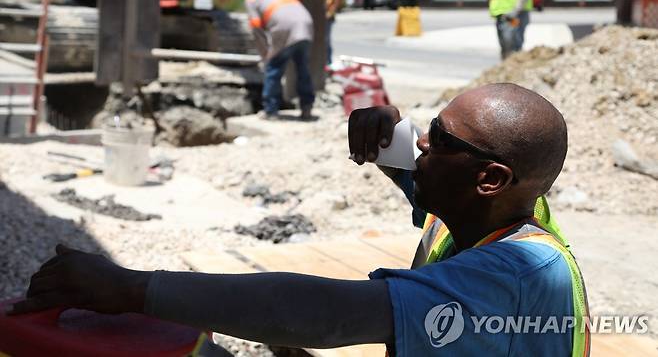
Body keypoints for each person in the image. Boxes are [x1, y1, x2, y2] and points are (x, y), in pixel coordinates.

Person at [9, 83, 589, 356]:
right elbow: (422, 176)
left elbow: (325, 316)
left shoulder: (516, 273)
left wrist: (132, 288)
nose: (421, 149)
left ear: (489, 179)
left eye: (437, 139)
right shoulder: (492, 210)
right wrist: (387, 132)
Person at [243, 0, 315, 120]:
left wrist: (265, 55)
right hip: (306, 26)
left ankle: (270, 111)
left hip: (285, 29)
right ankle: (307, 108)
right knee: (303, 69)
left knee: (273, 69)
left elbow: (256, 29)